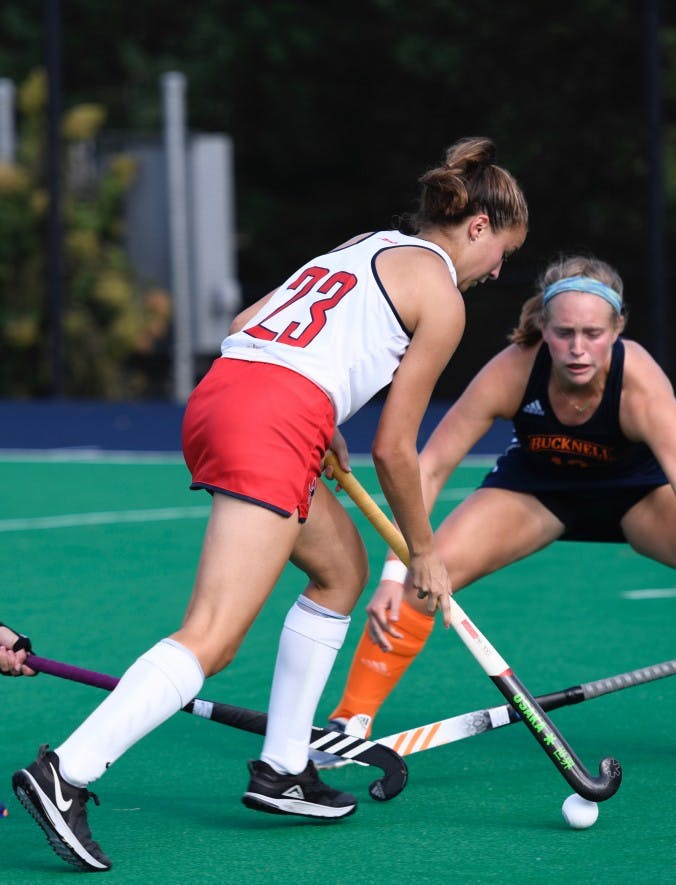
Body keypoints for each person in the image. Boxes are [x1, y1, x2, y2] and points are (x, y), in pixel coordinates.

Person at [10, 136, 528, 872]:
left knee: (341, 571)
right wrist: (425, 554)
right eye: (502, 249)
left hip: (229, 394)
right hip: (273, 421)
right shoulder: (442, 297)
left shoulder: (366, 243)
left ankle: (285, 766)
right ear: (477, 226)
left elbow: (246, 324)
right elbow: (396, 449)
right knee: (213, 636)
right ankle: (68, 772)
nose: (499, 269)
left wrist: (319, 422)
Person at [325, 253, 676, 772]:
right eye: (564, 332)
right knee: (429, 577)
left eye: (593, 334)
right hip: (537, 494)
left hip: (635, 498)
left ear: (617, 331)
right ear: (543, 330)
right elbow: (429, 468)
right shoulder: (514, 369)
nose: (577, 348)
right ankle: (347, 726)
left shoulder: (639, 383)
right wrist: (399, 572)